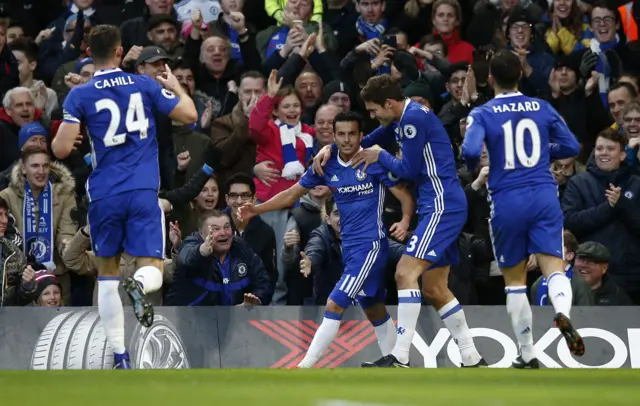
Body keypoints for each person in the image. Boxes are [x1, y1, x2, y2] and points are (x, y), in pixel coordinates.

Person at [51, 25, 197, 369]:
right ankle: (139, 283)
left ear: (89, 52)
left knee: (106, 274)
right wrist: (176, 87)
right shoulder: (144, 84)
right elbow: (189, 115)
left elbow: (59, 148)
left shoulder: (80, 95)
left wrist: (75, 137)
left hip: (104, 194)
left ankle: (120, 356)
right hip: (143, 191)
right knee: (154, 270)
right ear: (120, 52)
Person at [315, 75, 486, 368]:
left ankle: (400, 357)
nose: (373, 116)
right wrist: (331, 149)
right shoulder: (401, 118)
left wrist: (380, 156)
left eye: (374, 110)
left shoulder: (412, 121)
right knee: (434, 288)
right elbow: (366, 142)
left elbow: (407, 169)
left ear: (389, 103)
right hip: (437, 204)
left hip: (441, 204)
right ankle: (471, 355)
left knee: (404, 273)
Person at [239, 110, 415, 368]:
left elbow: (405, 197)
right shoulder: (326, 163)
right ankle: (398, 363)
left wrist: (406, 220)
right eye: (341, 135)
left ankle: (304, 368)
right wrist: (257, 209)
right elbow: (291, 195)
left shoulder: (372, 162)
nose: (346, 140)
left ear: (361, 136)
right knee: (374, 307)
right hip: (350, 249)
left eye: (351, 134)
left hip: (371, 246)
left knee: (334, 304)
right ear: (333, 137)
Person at [462, 50, 584, 369]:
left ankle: (527, 352)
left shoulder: (484, 112)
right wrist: (543, 151)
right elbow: (572, 146)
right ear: (520, 75)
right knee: (554, 268)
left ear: (490, 80)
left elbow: (470, 150)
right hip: (544, 195)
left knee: (514, 282)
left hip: (507, 200)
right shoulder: (542, 107)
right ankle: (562, 312)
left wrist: (483, 163)